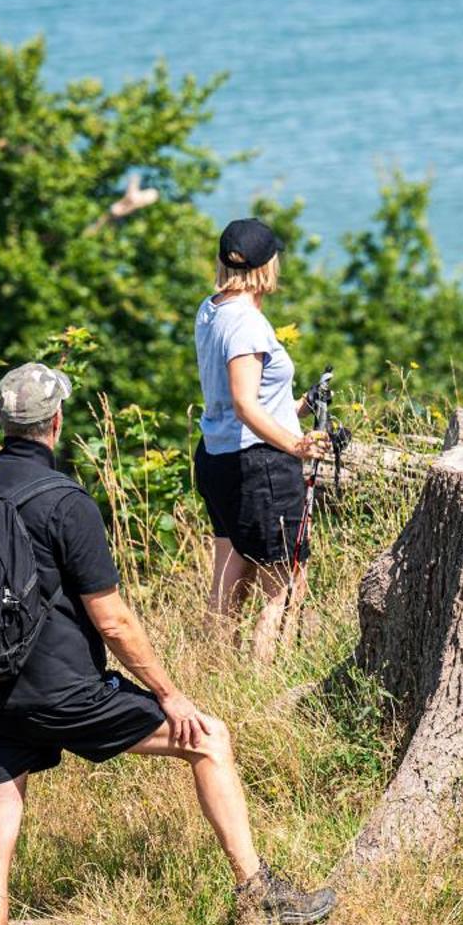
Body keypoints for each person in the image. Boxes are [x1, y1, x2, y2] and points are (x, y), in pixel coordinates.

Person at [0, 362, 335, 925]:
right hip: (66, 691)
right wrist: (171, 695)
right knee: (210, 738)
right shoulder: (65, 501)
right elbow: (112, 621)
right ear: (54, 423)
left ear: (4, 423)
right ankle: (257, 895)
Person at [192, 218, 329, 659]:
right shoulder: (248, 324)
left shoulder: (211, 309)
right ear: (267, 266)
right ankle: (267, 685)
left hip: (218, 458)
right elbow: (245, 405)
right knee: (285, 584)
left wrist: (302, 406)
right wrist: (296, 445)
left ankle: (215, 671)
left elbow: (248, 404)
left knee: (230, 572)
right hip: (260, 465)